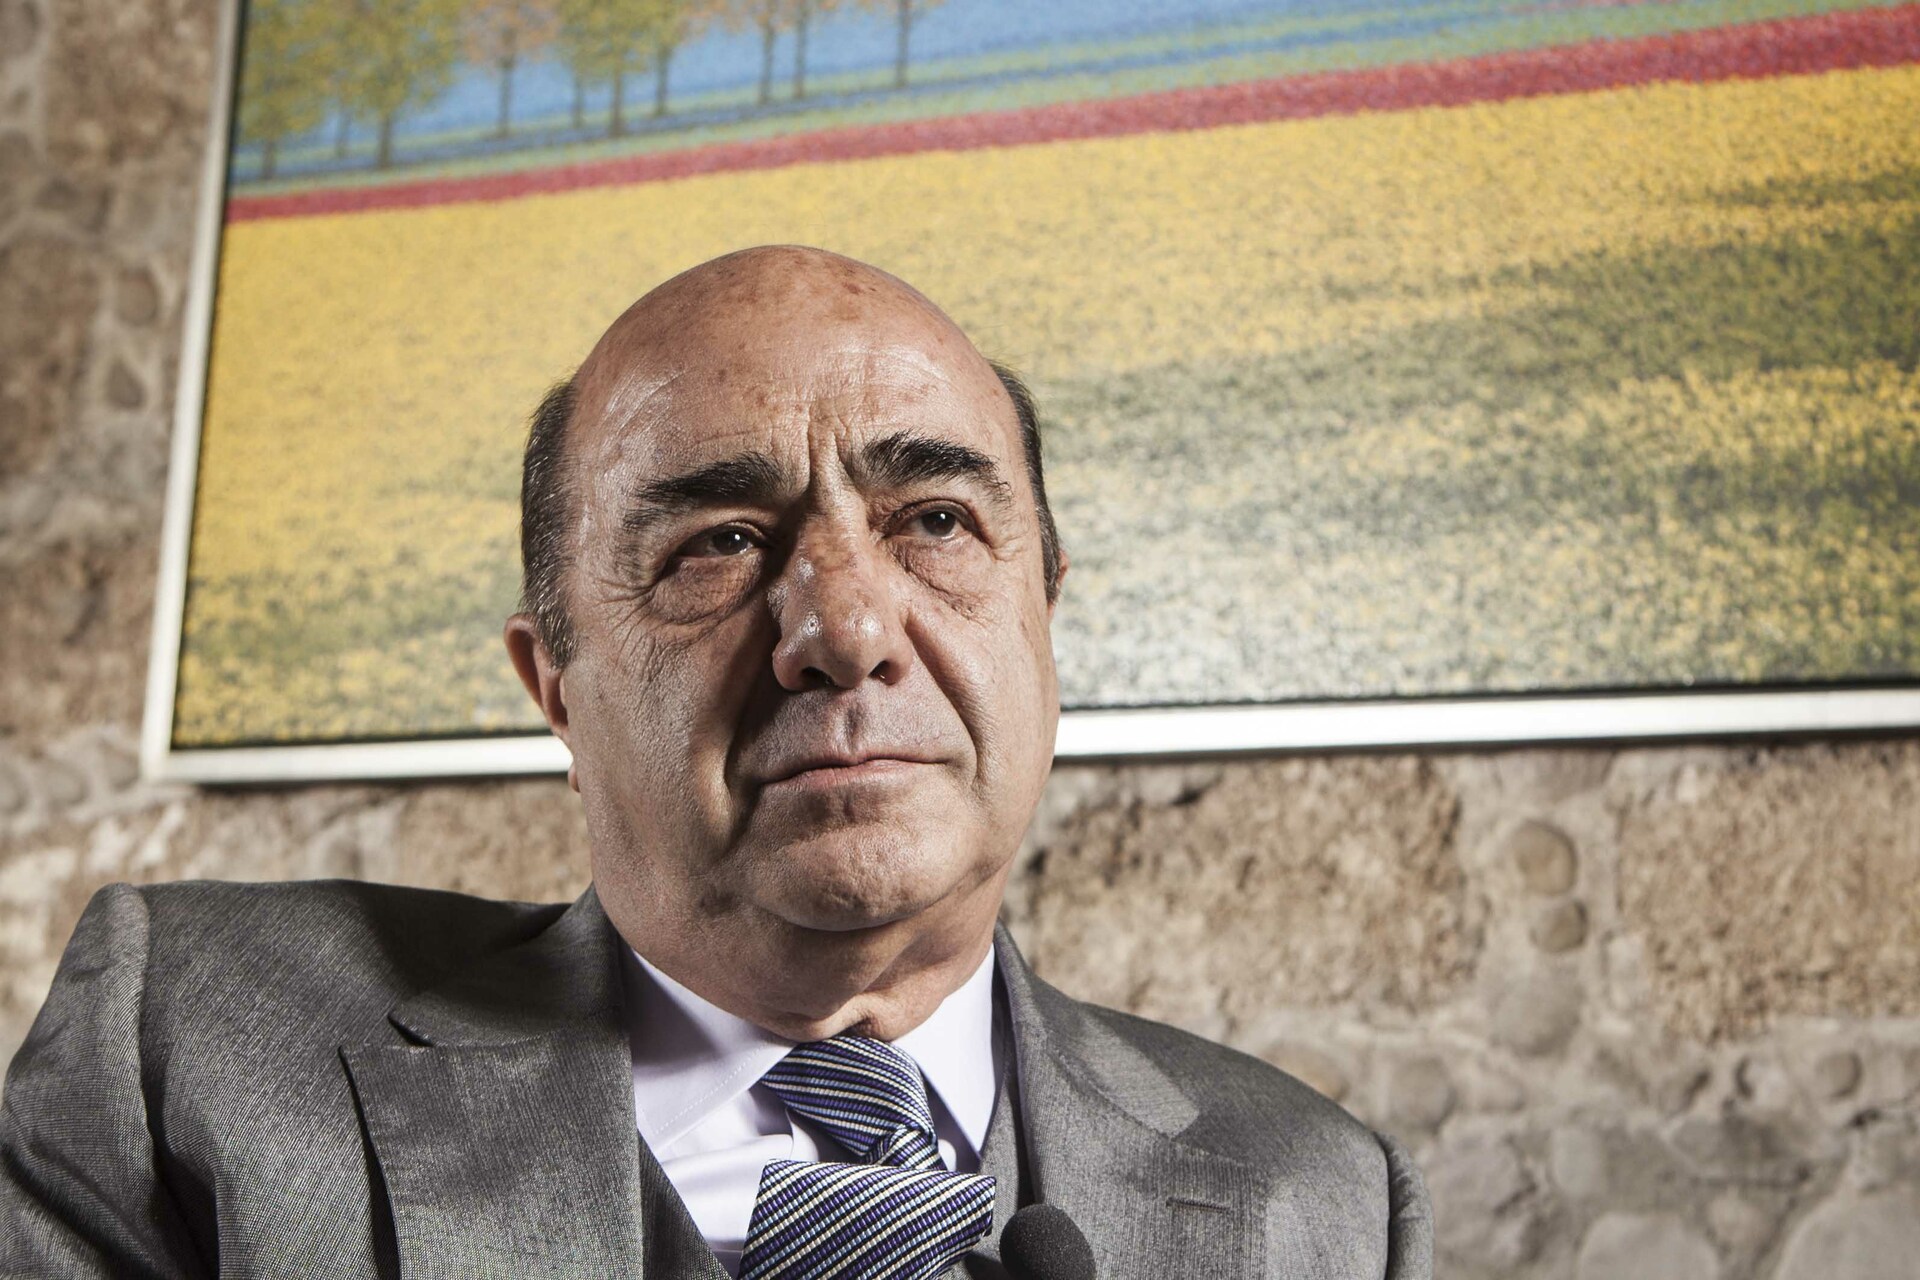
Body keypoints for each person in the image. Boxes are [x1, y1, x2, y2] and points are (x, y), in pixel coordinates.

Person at [0, 246, 1430, 1278]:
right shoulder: (188, 1055)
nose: (847, 631)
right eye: (721, 544)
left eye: (935, 521)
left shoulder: (1325, 1203)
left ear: (1041, 614)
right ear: (557, 687)